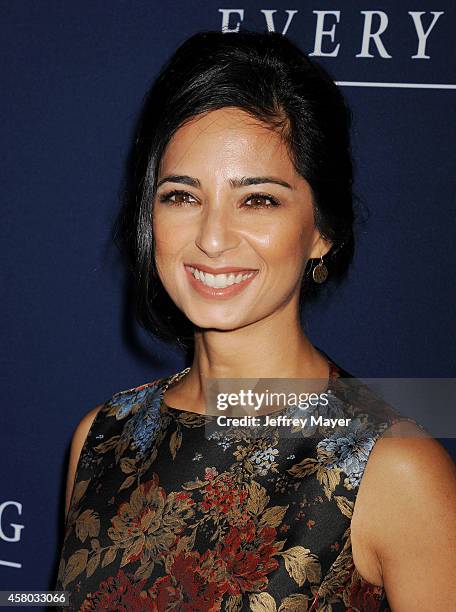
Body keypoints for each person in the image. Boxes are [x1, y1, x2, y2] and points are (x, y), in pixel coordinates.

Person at [54, 30, 456, 610]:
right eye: (181, 196)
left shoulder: (394, 470)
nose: (212, 238)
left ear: (322, 231)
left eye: (258, 199)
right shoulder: (103, 436)